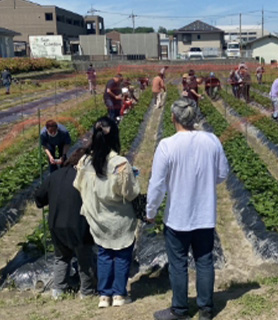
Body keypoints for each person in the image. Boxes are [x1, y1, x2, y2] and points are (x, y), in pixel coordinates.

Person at [148, 98, 229, 320]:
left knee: (178, 264)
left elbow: (156, 184)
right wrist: (204, 182)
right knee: (204, 261)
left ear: (173, 117)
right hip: (205, 214)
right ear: (194, 118)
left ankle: (180, 310)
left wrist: (151, 212)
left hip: (178, 217)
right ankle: (206, 309)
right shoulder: (211, 141)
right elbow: (222, 173)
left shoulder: (167, 145)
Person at [73, 116, 140, 308]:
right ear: (115, 138)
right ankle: (119, 294)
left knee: (104, 254)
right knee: (122, 254)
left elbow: (78, 186)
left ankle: (104, 295)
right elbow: (130, 193)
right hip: (120, 218)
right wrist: (134, 178)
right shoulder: (120, 164)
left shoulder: (85, 162)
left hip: (98, 218)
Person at [34, 148, 95, 300]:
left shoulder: (54, 176)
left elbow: (39, 198)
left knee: (61, 257)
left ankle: (58, 291)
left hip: (56, 224)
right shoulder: (84, 177)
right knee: (84, 259)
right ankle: (86, 292)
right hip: (79, 224)